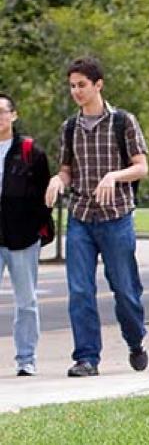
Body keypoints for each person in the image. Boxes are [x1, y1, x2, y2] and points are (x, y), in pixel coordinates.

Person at [44, 57, 149, 377]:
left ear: (98, 84)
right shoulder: (69, 127)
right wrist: (56, 180)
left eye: (82, 85)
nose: (76, 91)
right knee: (80, 290)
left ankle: (135, 341)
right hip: (81, 217)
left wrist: (114, 176)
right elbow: (66, 170)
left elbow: (142, 167)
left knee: (125, 289)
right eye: (72, 86)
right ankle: (87, 358)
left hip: (116, 218)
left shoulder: (123, 122)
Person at [0, 93, 51, 376]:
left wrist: (35, 228)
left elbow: (45, 195)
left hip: (22, 239)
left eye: (2, 112)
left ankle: (26, 359)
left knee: (26, 301)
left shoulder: (31, 151)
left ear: (13, 115)